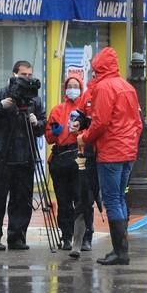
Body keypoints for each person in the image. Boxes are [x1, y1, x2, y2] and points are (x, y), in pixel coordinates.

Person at [75, 47, 142, 265]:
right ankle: (121, 250)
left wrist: (84, 138)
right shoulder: (127, 87)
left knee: (112, 199)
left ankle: (120, 252)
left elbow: (100, 122)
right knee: (120, 198)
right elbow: (138, 123)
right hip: (128, 151)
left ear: (98, 67)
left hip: (111, 151)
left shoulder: (104, 88)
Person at [0, 60, 46, 250]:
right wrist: (1, 105)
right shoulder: (1, 94)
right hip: (3, 157)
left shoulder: (34, 99)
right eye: (24, 75)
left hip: (26, 156)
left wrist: (36, 122)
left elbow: (43, 126)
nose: (27, 79)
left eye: (30, 75)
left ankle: (17, 238)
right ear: (14, 74)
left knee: (22, 200)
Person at [44, 75, 94, 252]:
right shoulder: (57, 110)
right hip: (60, 159)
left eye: (76, 85)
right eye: (69, 85)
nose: (72, 88)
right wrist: (54, 132)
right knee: (63, 201)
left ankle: (86, 237)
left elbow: (92, 131)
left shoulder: (86, 111)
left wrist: (81, 131)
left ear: (81, 88)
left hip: (79, 156)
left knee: (82, 200)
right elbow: (49, 137)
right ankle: (66, 236)